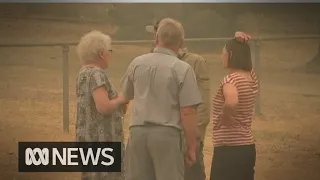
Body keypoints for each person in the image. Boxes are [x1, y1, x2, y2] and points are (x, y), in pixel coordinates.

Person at [121, 18, 202, 180]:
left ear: (156, 38)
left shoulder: (137, 63)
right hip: (167, 135)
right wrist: (192, 148)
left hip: (138, 133)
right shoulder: (183, 69)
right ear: (181, 42)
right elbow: (188, 111)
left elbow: (125, 96)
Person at [75, 30, 127, 180]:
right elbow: (103, 107)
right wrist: (121, 99)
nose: (111, 55)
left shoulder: (83, 73)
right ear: (101, 53)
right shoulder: (97, 74)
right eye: (109, 51)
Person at [210, 34, 258, 180]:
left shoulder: (230, 80)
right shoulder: (251, 78)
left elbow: (231, 101)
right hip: (247, 146)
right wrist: (240, 41)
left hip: (228, 149)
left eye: (223, 52)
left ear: (230, 55)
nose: (221, 56)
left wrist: (225, 118)